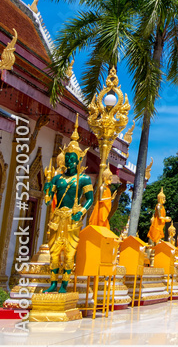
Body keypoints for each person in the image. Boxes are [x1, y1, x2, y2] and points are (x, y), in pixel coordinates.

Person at [42, 117, 94, 292]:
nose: (70, 161)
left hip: (72, 217)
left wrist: (82, 211)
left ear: (79, 160)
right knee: (54, 252)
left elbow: (90, 199)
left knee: (70, 253)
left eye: (73, 158)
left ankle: (64, 284)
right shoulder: (58, 178)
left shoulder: (83, 179)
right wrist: (47, 190)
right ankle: (53, 283)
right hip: (58, 217)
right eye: (68, 158)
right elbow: (48, 200)